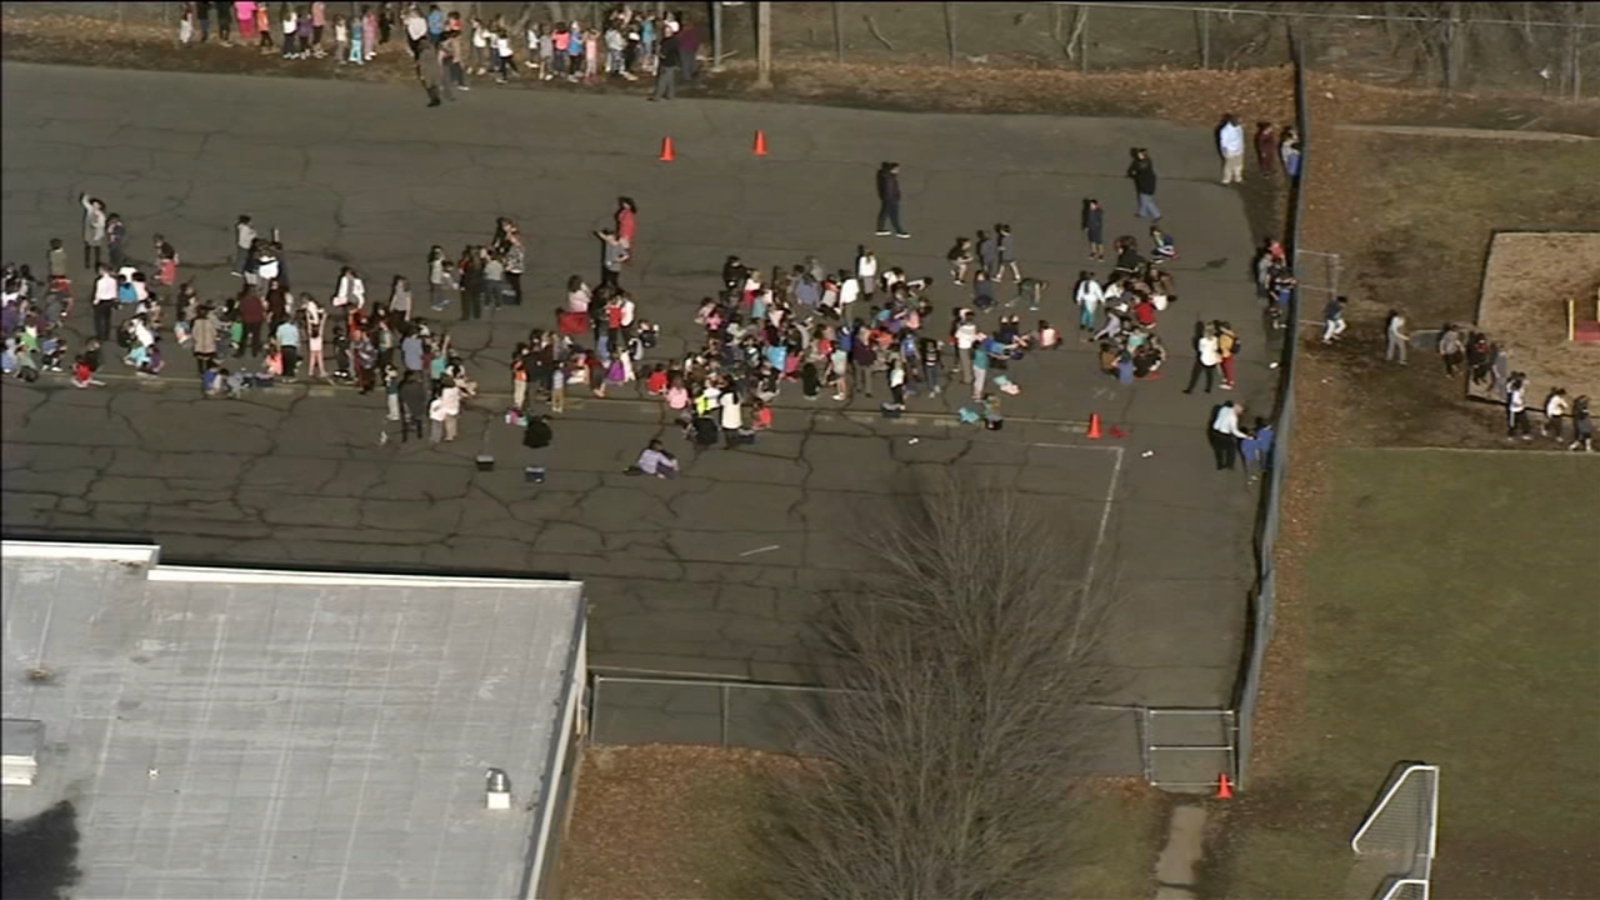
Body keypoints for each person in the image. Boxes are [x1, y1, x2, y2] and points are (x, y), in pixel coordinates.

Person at [1209, 401, 1248, 471]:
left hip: (1215, 431)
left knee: (1218, 450)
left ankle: (1220, 465)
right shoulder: (1233, 417)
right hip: (1224, 434)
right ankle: (1229, 464)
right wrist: (1245, 436)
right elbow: (1235, 431)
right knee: (1231, 449)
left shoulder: (1223, 409)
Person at [1183, 323, 1220, 395]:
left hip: (1203, 359)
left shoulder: (1202, 340)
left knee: (1195, 374)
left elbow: (1200, 350)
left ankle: (1190, 389)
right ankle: (1208, 388)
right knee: (1209, 374)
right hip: (1212, 359)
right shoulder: (1215, 339)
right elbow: (1215, 348)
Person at [875, 161, 908, 238]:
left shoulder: (886, 176)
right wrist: (894, 198)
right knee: (892, 215)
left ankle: (895, 230)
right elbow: (890, 190)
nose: (898, 171)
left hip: (889, 199)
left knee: (887, 214)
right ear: (892, 169)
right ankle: (899, 231)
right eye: (897, 169)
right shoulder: (889, 178)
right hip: (891, 199)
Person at [1126, 147, 1161, 220]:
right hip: (1146, 183)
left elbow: (1137, 169)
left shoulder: (1143, 163)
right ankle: (1142, 213)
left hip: (1146, 184)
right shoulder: (1145, 160)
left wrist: (1132, 174)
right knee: (1143, 198)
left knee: (1146, 201)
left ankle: (1157, 215)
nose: (1138, 155)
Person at [1218, 113, 1246, 184]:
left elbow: (1240, 137)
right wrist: (1225, 152)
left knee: (1238, 164)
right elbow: (1224, 142)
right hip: (1230, 150)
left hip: (1239, 149)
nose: (1240, 123)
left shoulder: (1238, 127)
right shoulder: (1225, 130)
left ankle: (1238, 178)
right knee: (1229, 165)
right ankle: (1226, 180)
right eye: (1238, 121)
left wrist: (1241, 147)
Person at [1505, 372, 1532, 440]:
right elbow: (1515, 402)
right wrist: (1521, 403)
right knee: (1513, 424)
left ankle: (1525, 434)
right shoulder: (1514, 392)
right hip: (1514, 410)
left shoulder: (1520, 389)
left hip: (1520, 409)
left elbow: (1526, 382)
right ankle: (1510, 435)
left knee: (1525, 422)